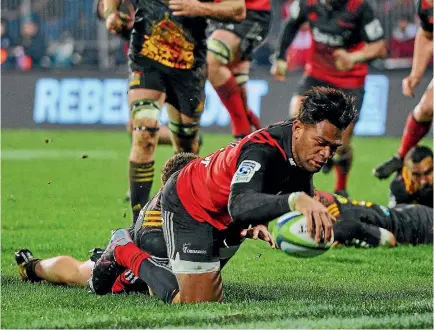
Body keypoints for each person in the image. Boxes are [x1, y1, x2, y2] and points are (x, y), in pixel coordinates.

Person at [116, 86, 354, 304]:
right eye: (321, 143)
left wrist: (264, 219)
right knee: (198, 303)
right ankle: (124, 249)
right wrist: (295, 201)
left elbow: (279, 183)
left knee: (140, 282)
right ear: (299, 127)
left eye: (333, 148)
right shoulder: (262, 149)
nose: (326, 154)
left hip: (225, 216)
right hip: (191, 205)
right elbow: (240, 206)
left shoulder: (299, 150)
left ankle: (116, 268)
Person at [102, 0, 246, 220]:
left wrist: (200, 8)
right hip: (147, 57)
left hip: (189, 65)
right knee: (144, 132)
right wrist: (111, 12)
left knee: (186, 148)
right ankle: (139, 224)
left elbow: (238, 9)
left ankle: (182, 216)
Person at [15, 153, 199, 292]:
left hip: (158, 258)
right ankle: (32, 267)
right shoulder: (155, 228)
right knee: (78, 273)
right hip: (129, 266)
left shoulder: (200, 200)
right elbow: (159, 288)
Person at [271, 0, 387, 197]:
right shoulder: (308, 3)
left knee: (342, 142)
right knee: (295, 123)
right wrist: (280, 57)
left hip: (349, 80)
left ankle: (341, 189)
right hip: (316, 74)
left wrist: (353, 58)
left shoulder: (359, 7)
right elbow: (292, 23)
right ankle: (295, 184)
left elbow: (380, 48)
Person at [373, 0, 433, 180]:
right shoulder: (425, 5)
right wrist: (415, 75)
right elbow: (427, 35)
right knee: (425, 108)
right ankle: (401, 157)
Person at [206, 0, 271, 139]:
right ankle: (255, 134)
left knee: (212, 60)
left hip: (250, 12)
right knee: (235, 76)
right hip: (217, 11)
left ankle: (242, 131)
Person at [316, 191, 433, 247]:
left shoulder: (346, 221)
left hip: (421, 224)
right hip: (407, 213)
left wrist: (337, 235)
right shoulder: (333, 203)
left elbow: (390, 240)